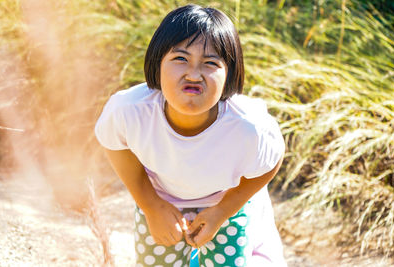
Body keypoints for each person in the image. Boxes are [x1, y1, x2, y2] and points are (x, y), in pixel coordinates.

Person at [95, 4, 286, 267]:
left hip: (225, 202)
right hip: (159, 198)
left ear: (229, 73)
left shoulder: (247, 127)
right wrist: (151, 205)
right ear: (157, 62)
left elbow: (272, 160)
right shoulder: (130, 111)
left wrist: (222, 211)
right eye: (180, 59)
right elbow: (113, 144)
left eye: (210, 63)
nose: (193, 74)